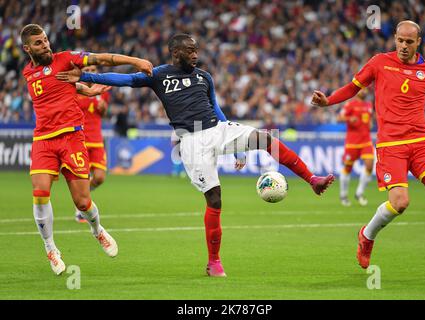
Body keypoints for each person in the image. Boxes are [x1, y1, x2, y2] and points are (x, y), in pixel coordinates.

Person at [56, 33, 335, 277]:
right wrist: (86, 76)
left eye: (196, 50)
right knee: (214, 198)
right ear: (176, 52)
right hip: (191, 142)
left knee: (265, 138)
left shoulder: (204, 76)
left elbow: (215, 107)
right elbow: (125, 79)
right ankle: (213, 262)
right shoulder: (160, 75)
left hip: (217, 128)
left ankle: (311, 180)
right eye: (190, 51)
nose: (196, 55)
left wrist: (236, 144)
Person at [311, 21, 425, 275]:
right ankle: (367, 235)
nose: (404, 46)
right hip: (391, 145)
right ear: (394, 39)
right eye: (400, 40)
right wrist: (328, 100)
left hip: (421, 142)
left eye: (409, 42)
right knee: (400, 202)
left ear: (419, 42)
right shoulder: (379, 62)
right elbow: (354, 87)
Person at [20, 23, 152, 275]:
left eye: (46, 39)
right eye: (38, 43)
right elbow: (55, 86)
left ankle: (97, 230)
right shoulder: (28, 73)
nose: (45, 44)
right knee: (39, 192)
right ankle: (50, 248)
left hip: (72, 138)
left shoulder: (66, 59)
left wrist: (136, 61)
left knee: (82, 202)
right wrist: (83, 89)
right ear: (27, 48)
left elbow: (103, 59)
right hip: (44, 140)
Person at [75, 65, 111, 223]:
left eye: (93, 70)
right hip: (79, 140)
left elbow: (103, 112)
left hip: (96, 140)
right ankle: (81, 207)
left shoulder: (102, 90)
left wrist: (104, 109)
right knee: (83, 178)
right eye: (87, 70)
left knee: (100, 177)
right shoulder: (75, 89)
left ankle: (82, 200)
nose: (90, 72)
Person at [337, 89, 374, 207]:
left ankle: (359, 193)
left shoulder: (369, 105)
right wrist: (349, 119)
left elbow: (369, 119)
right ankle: (343, 195)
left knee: (369, 165)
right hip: (352, 142)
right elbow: (339, 118)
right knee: (348, 168)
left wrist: (370, 124)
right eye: (362, 89)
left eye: (366, 89)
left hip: (366, 141)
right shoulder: (350, 104)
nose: (364, 91)